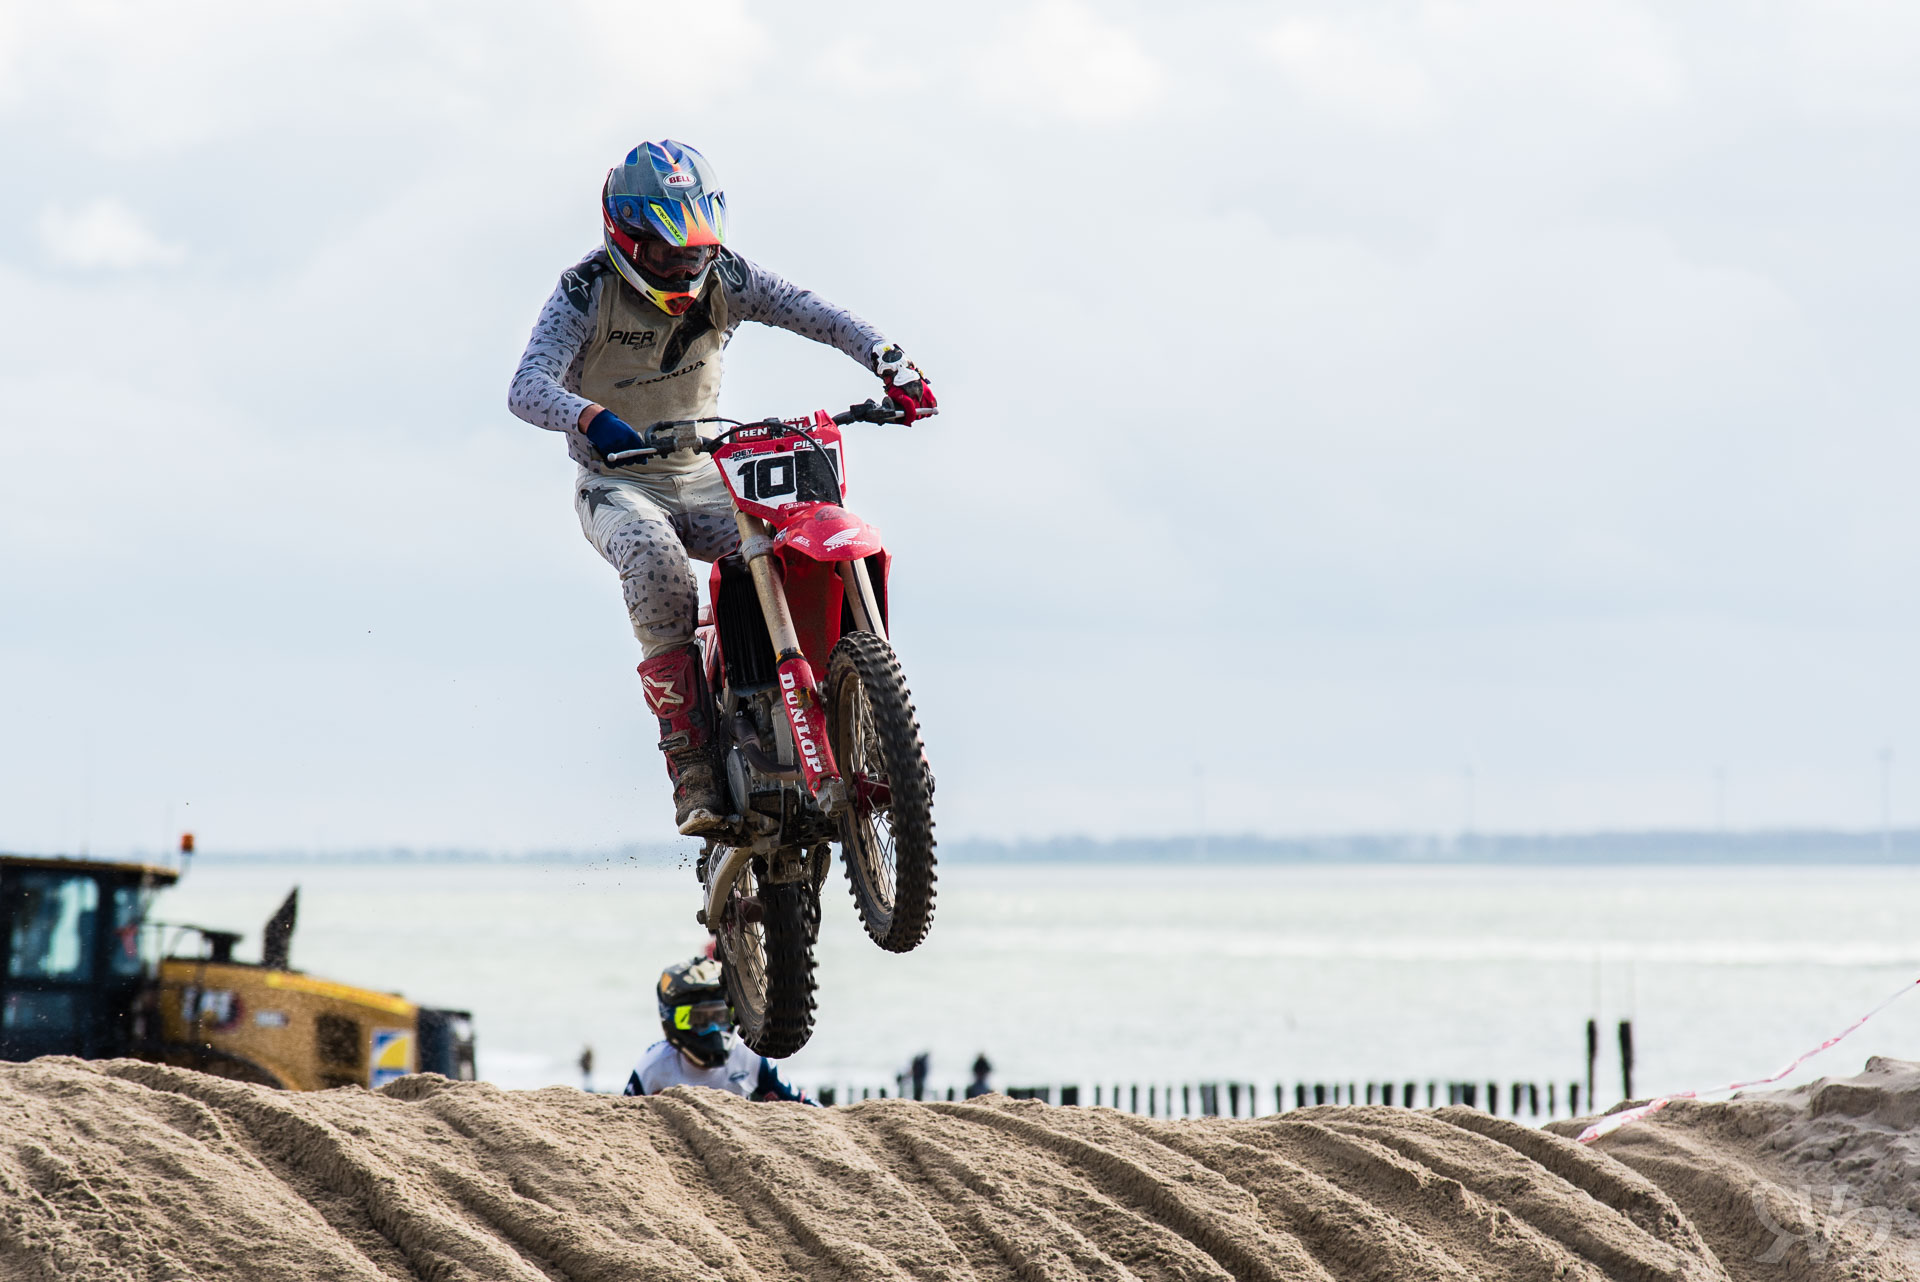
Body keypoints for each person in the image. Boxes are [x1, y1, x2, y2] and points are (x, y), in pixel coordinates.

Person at [508, 139, 936, 836]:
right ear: (626, 239)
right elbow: (526, 386)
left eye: (696, 254)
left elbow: (814, 312)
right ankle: (694, 766)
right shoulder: (585, 290)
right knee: (658, 567)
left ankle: (830, 711)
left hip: (704, 469)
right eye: (667, 255)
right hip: (617, 481)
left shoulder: (727, 276)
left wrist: (891, 362)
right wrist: (590, 417)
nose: (685, 269)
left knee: (787, 539)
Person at [623, 956, 811, 1102]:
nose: (713, 1029)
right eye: (698, 1019)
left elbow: (803, 1106)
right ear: (670, 1019)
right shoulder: (654, 1066)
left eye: (721, 1016)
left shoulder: (749, 1057)